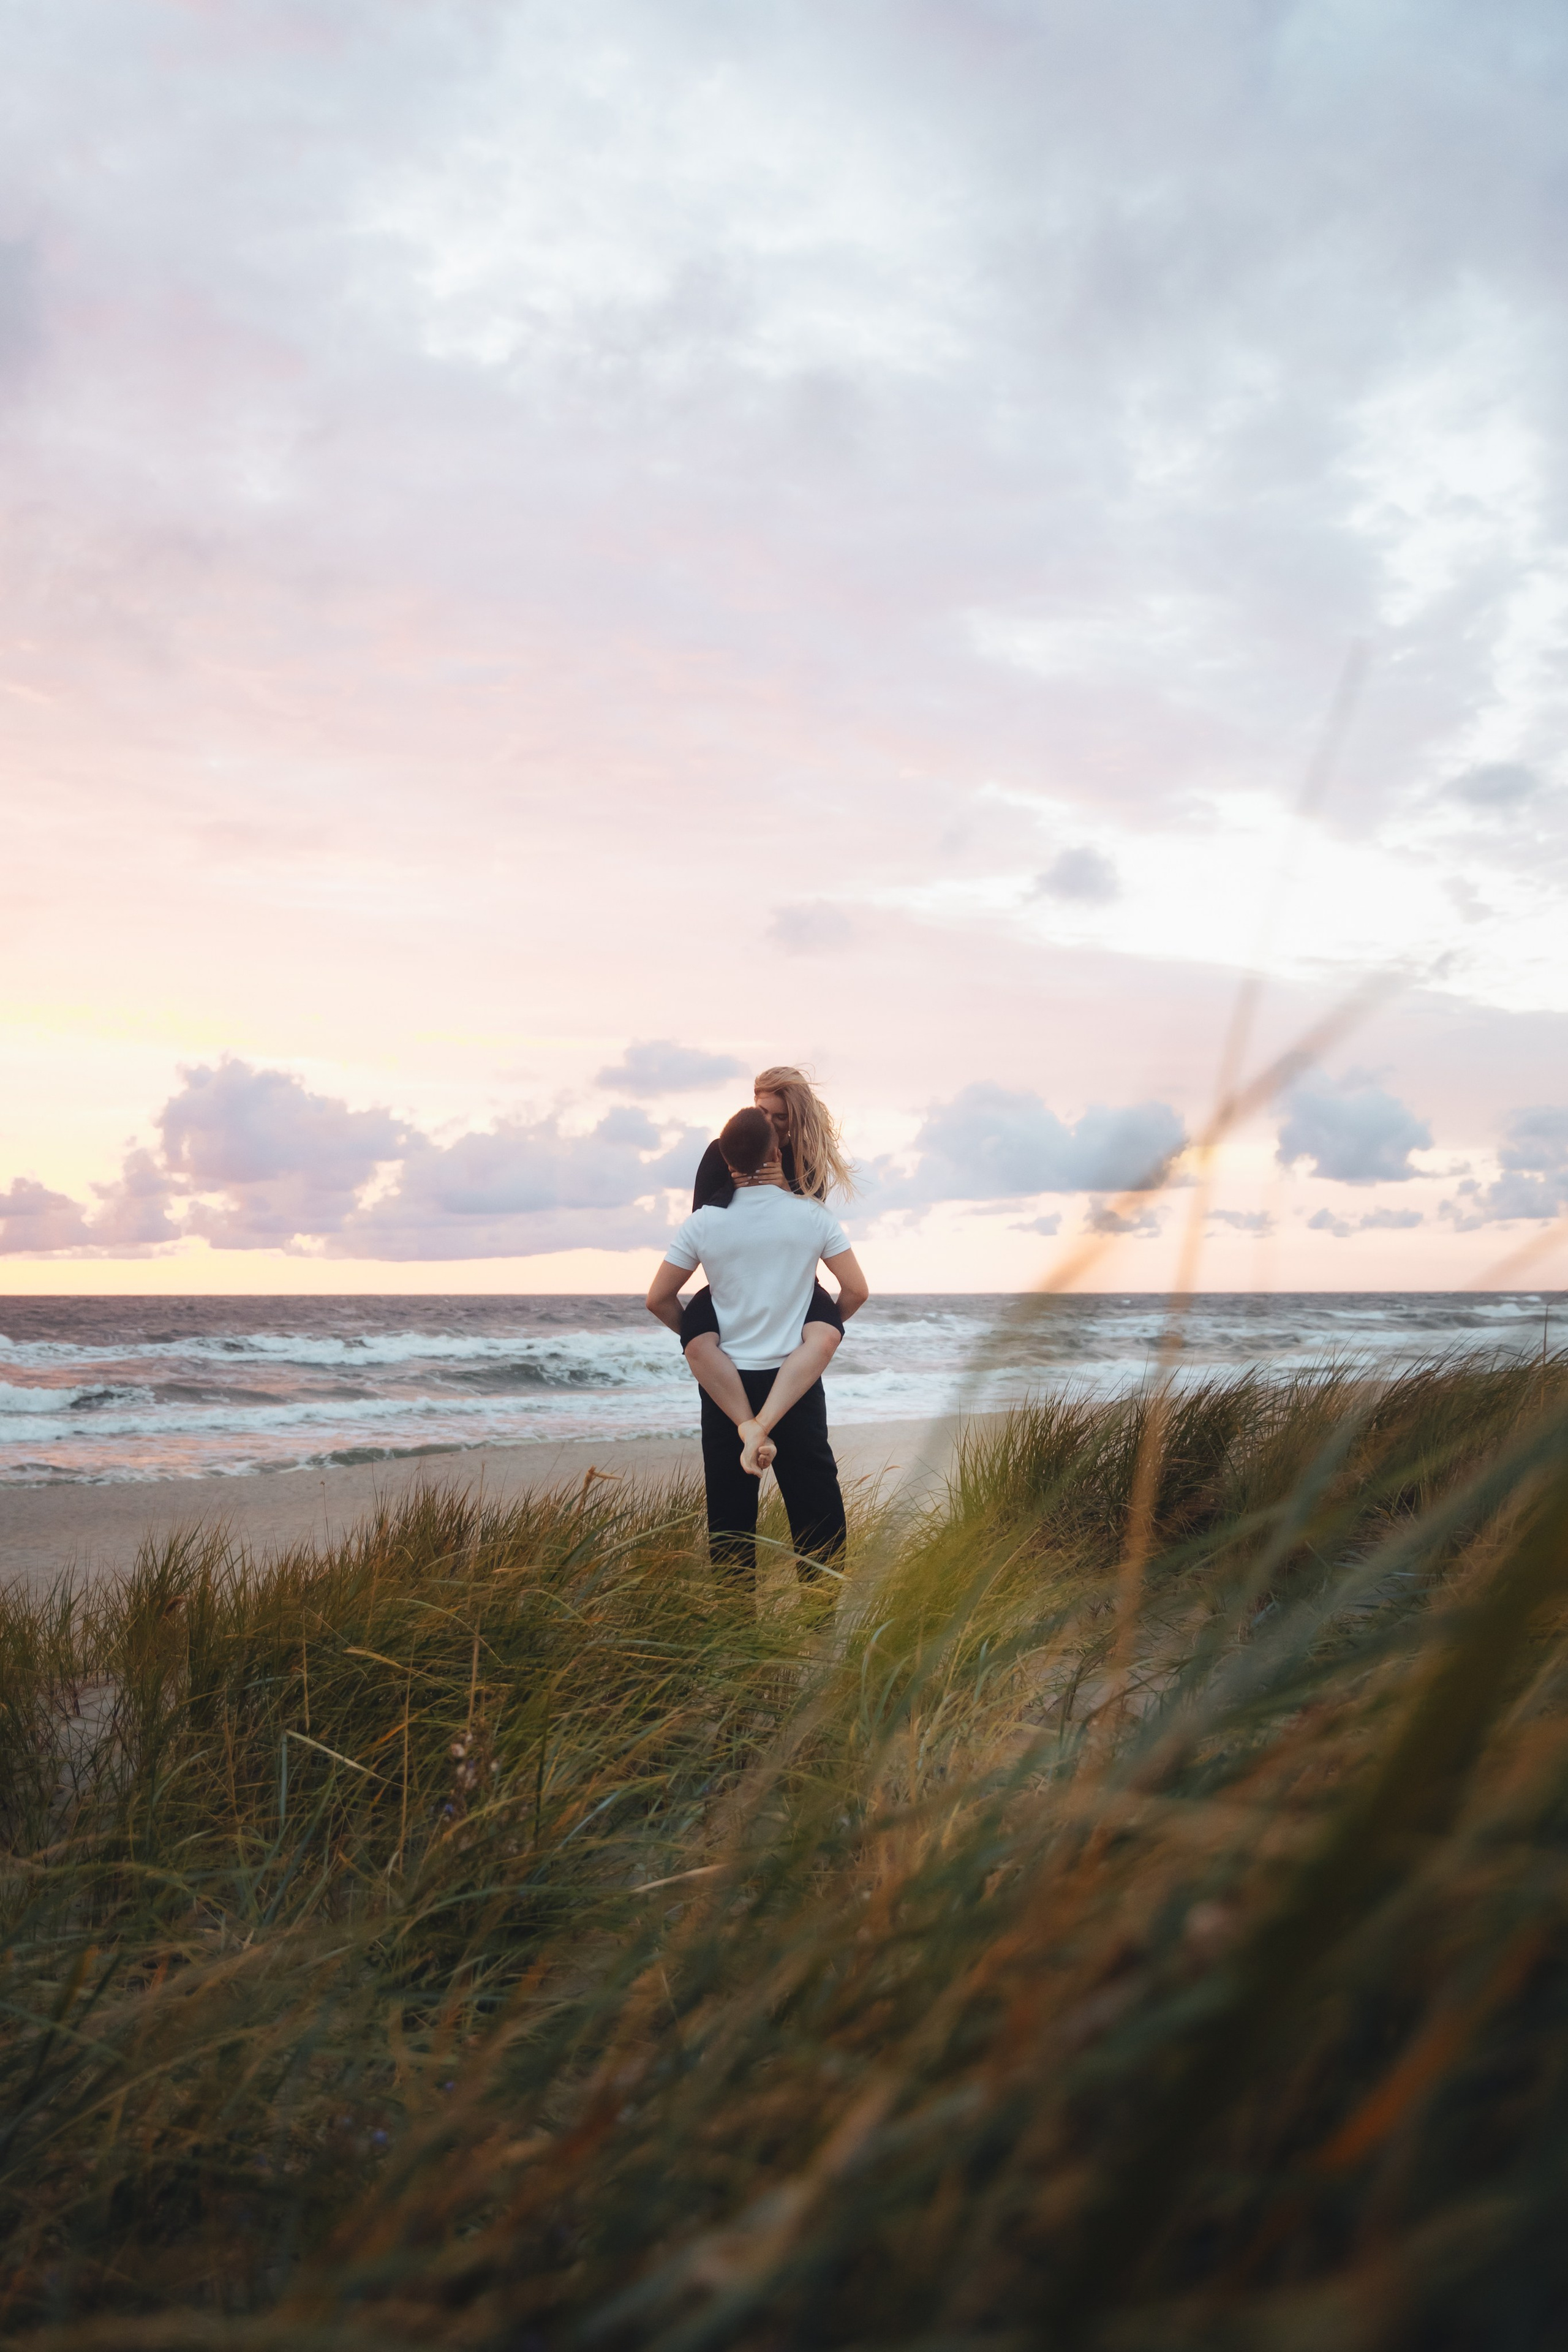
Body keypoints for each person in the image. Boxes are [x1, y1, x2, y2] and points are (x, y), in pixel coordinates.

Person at [646, 1106, 869, 1588]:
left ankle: (737, 1640)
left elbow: (658, 1299)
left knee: (730, 1520)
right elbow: (856, 1290)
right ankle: (819, 1625)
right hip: (794, 1380)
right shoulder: (812, 1216)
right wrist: (813, 1318)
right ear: (776, 1154)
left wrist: (701, 1339)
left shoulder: (702, 1223)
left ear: (725, 1161)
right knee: (817, 1509)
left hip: (728, 1386)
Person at [680, 1065, 855, 1434]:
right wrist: (748, 1181)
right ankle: (748, 1422)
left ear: (795, 1118)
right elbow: (705, 1221)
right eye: (764, 1113)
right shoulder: (724, 1149)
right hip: (736, 1274)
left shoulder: (807, 1156)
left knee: (827, 1330)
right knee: (694, 1330)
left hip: (792, 1277)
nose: (772, 1125)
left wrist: (784, 1190)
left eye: (781, 1117)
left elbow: (808, 1219)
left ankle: (763, 1418)